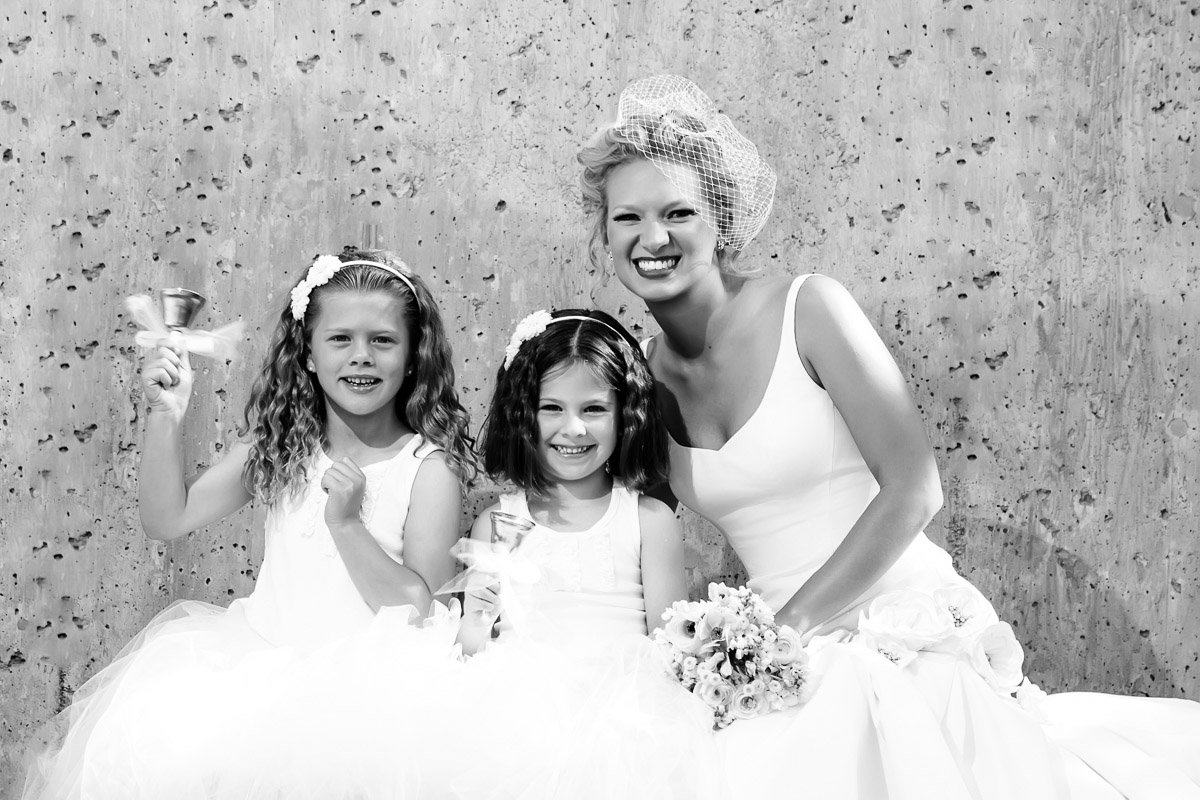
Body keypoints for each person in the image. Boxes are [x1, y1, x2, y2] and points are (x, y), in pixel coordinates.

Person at [577, 74, 1200, 798]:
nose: (653, 238)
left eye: (678, 211)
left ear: (721, 217)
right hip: (775, 672)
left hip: (900, 632)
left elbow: (915, 489)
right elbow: (628, 529)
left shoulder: (812, 308)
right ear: (606, 233)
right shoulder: (640, 379)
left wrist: (785, 631)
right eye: (628, 218)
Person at [23, 250, 477, 800]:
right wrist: (167, 415)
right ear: (307, 355)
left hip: (367, 707)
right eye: (340, 339)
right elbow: (168, 518)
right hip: (257, 678)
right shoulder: (280, 448)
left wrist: (346, 524)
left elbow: (421, 611)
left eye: (382, 340)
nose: (361, 356)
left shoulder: (426, 468)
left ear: (412, 356)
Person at [450, 308, 720, 799]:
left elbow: (670, 645)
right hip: (519, 716)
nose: (572, 429)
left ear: (626, 417)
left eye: (593, 409)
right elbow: (472, 651)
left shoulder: (648, 520)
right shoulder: (496, 521)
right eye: (551, 407)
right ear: (522, 415)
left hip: (626, 714)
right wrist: (476, 622)